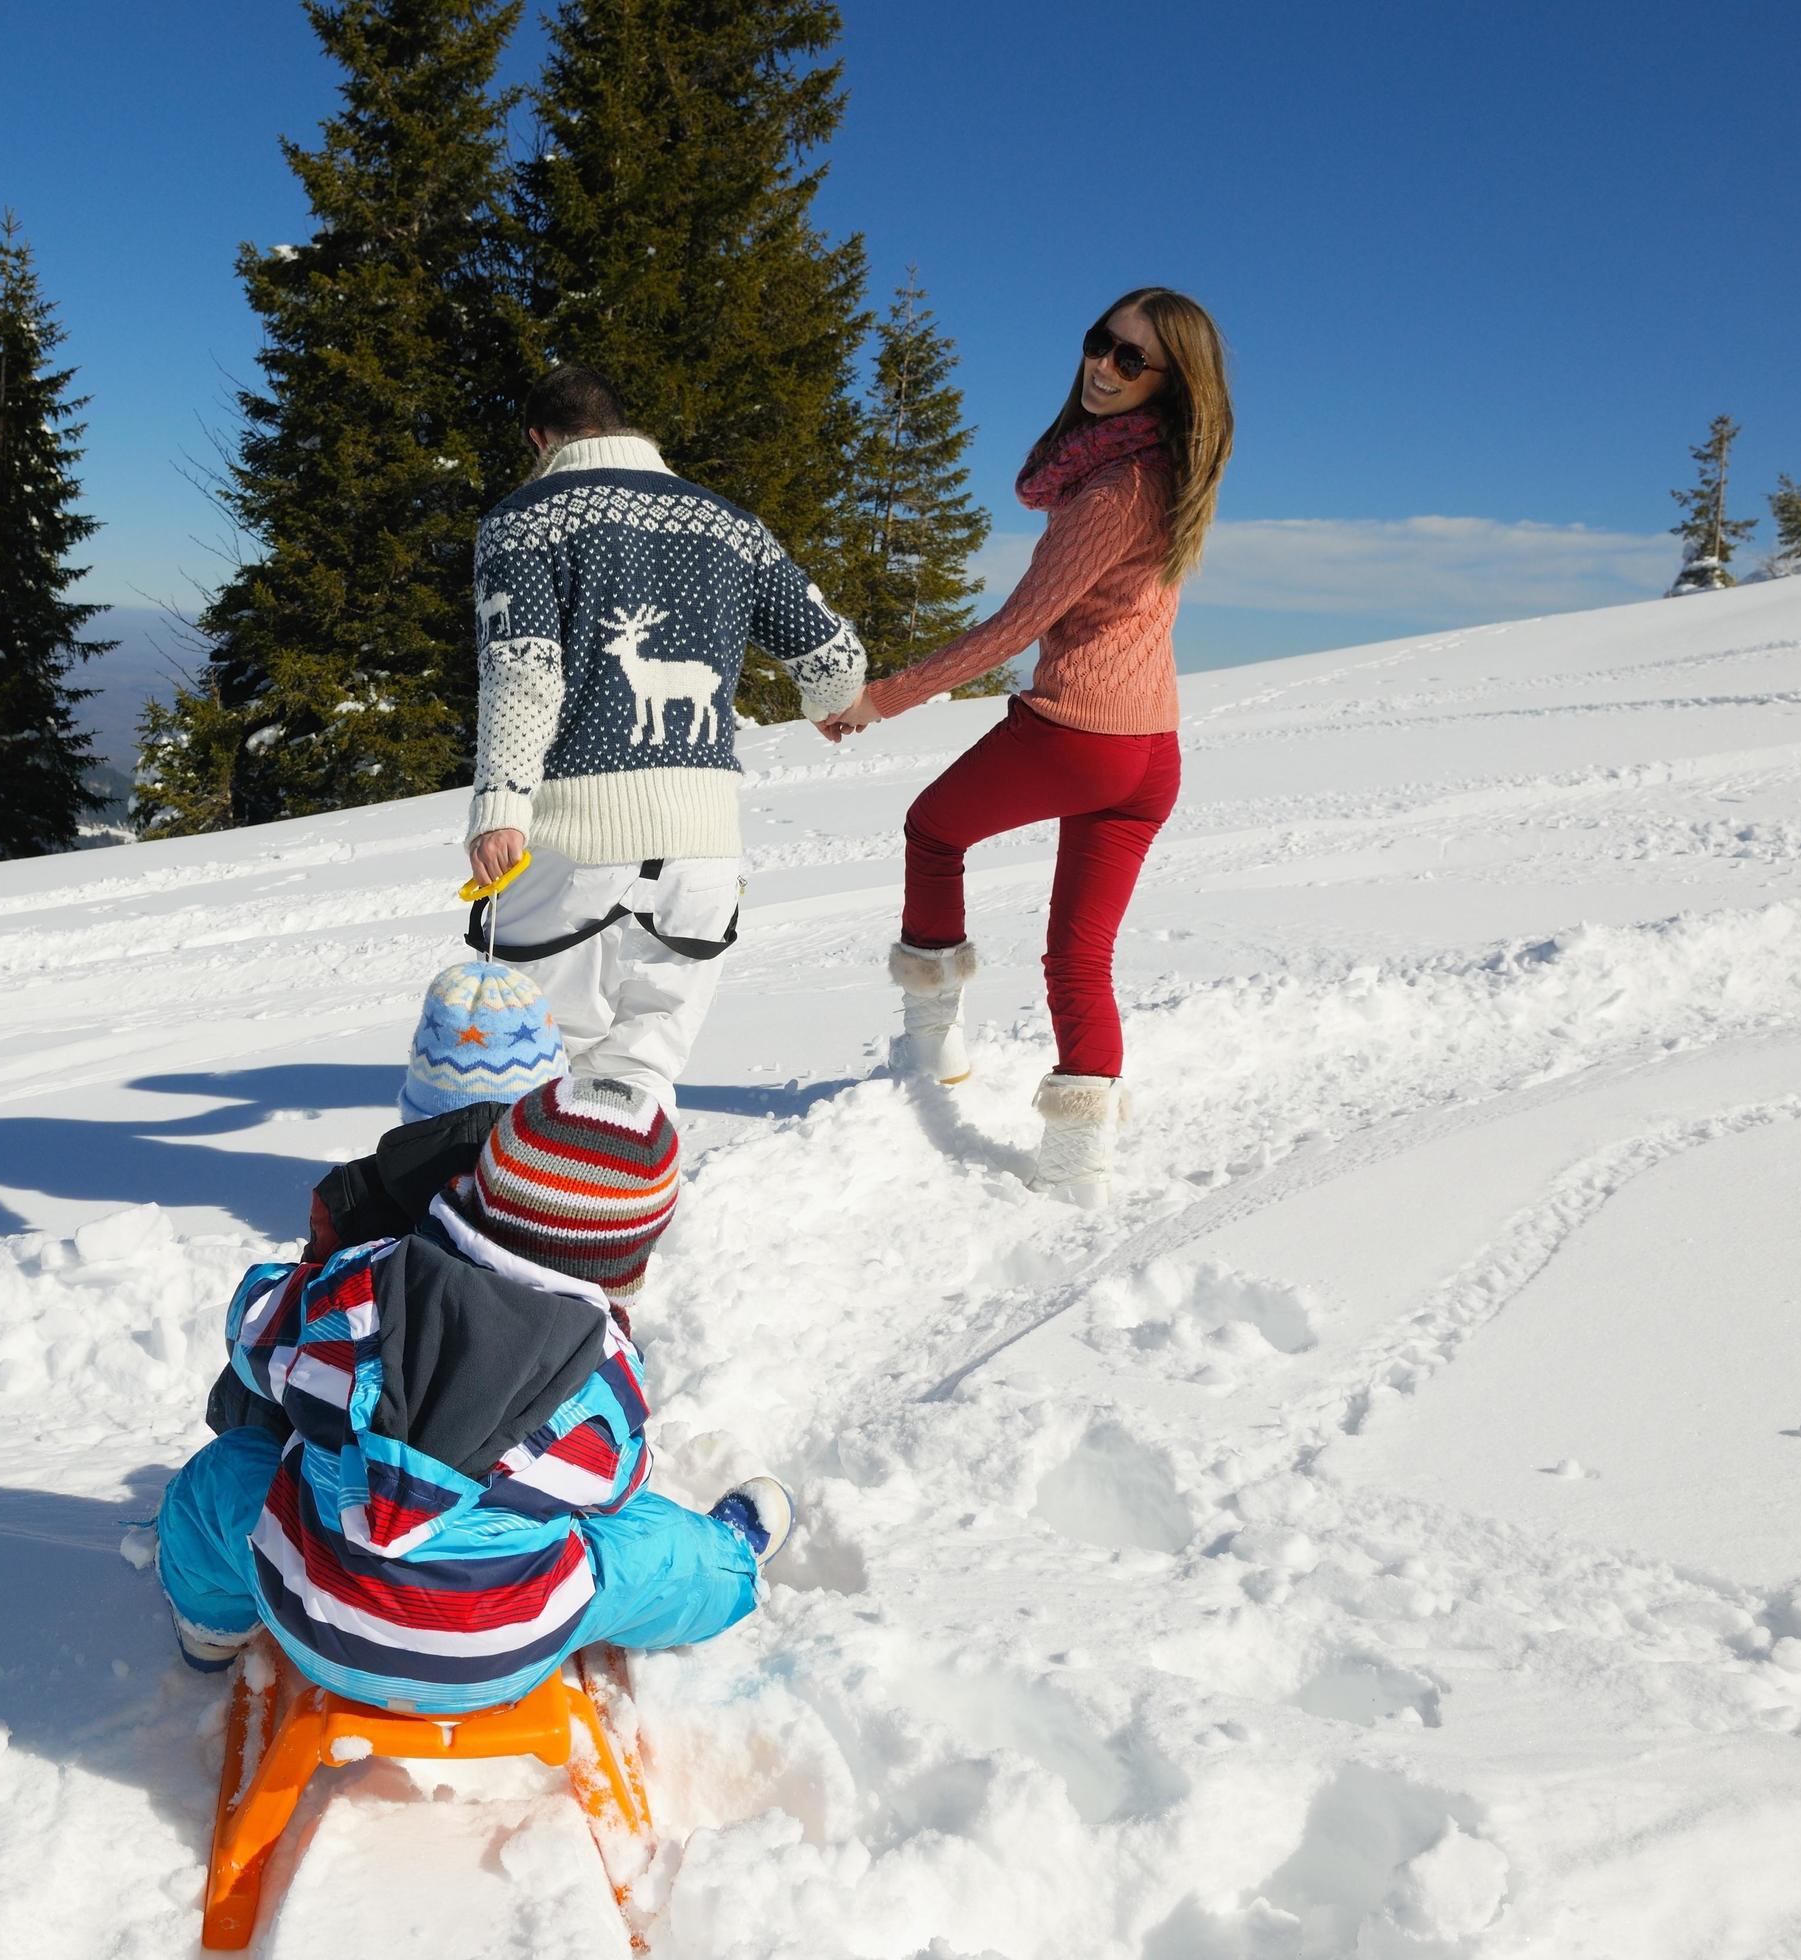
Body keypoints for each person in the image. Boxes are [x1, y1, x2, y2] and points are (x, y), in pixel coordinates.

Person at [152, 1075, 795, 1714]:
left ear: (473, 1187)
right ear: (630, 1262)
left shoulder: (361, 1290)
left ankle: (210, 1630)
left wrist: (307, 1284)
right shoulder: (605, 1374)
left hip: (309, 1616)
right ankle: (731, 1562)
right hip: (498, 1658)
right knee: (648, 1547)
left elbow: (252, 1325)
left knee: (228, 1472)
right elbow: (620, 1486)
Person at [819, 288, 1232, 1202]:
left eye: (1131, 361)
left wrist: (878, 699)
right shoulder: (1160, 471)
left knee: (933, 832)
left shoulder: (1115, 491)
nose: (1103, 366)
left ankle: (932, 1052)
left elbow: (1015, 626)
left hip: (1077, 736)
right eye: (1100, 343)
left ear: (1171, 384)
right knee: (1080, 957)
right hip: (1149, 755)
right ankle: (1076, 1171)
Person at [463, 364, 867, 1110]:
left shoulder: (520, 520)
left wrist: (501, 806)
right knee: (638, 1075)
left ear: (538, 440)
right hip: (703, 852)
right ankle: (625, 1216)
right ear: (621, 424)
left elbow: (524, 673)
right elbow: (836, 664)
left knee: (538, 1069)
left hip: (573, 848)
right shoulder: (731, 524)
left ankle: (534, 1219)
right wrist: (827, 703)